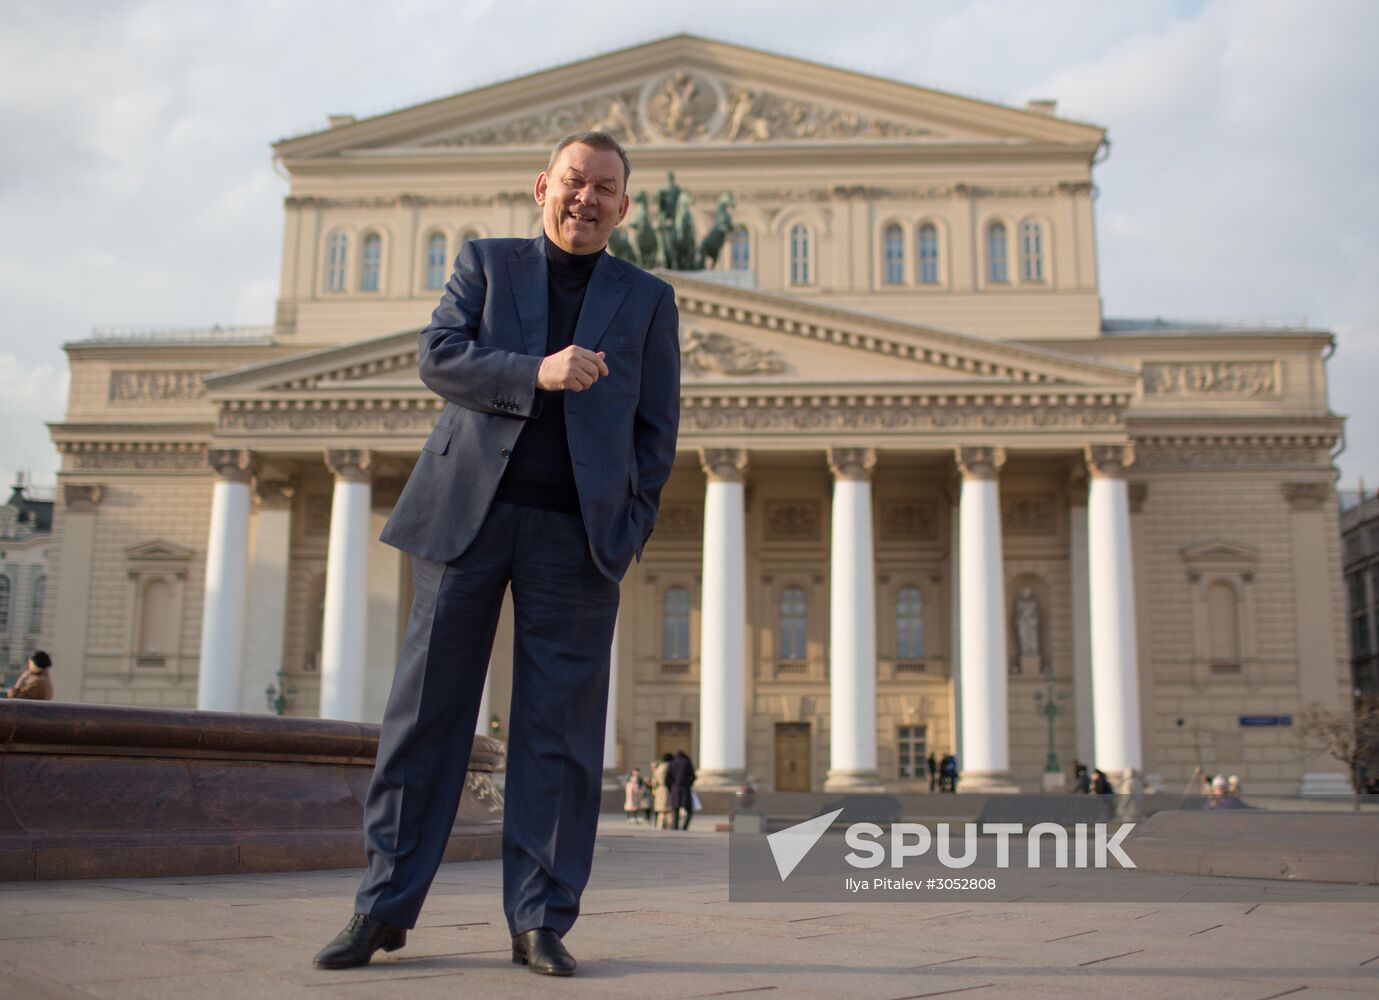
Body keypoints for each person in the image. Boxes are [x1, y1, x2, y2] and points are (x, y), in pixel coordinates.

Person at [313, 131, 680, 978]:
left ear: (624, 208)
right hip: (466, 523)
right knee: (423, 721)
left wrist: (626, 526)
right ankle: (381, 908)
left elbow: (655, 430)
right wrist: (538, 373)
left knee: (558, 738)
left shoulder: (646, 299)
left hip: (576, 536)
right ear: (543, 186)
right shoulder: (487, 264)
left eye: (605, 190)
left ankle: (539, 922)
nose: (586, 200)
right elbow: (438, 358)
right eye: (575, 182)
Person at [668, 749, 697, 830]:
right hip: (685, 788)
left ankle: (675, 827)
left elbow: (668, 777)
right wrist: (688, 784)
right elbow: (693, 776)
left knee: (675, 810)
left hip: (675, 789)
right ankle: (684, 827)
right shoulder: (687, 763)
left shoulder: (672, 763)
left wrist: (671, 787)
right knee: (689, 811)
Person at [652, 753, 673, 829]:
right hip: (668, 790)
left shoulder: (659, 768)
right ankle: (669, 827)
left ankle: (659, 827)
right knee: (669, 811)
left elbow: (654, 782)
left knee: (661, 811)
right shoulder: (671, 766)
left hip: (660, 790)